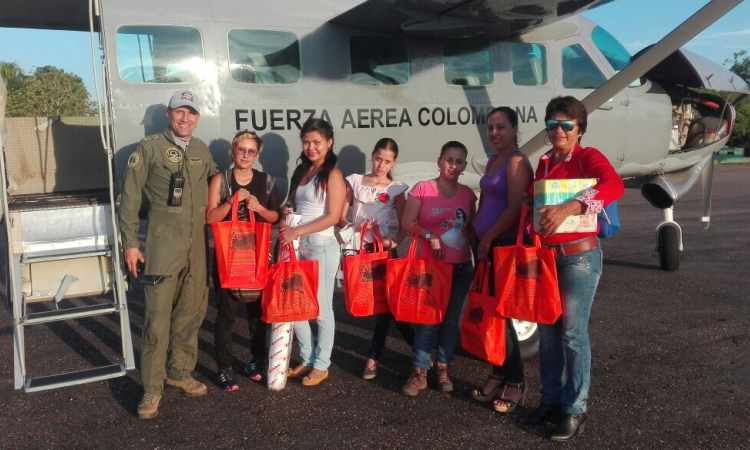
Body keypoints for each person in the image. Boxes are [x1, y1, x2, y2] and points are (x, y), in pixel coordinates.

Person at [522, 96, 624, 441]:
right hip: (547, 256)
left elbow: (614, 186)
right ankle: (551, 400)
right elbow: (537, 203)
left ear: (579, 129)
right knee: (548, 335)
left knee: (571, 334)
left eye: (567, 124)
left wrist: (573, 206)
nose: (559, 131)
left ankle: (576, 408)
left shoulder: (587, 156)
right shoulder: (545, 162)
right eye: (553, 124)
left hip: (579, 256)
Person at [120, 90, 218, 419]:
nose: (185, 118)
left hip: (196, 247)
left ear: (197, 117)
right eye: (179, 112)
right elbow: (130, 198)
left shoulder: (202, 151)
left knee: (191, 311)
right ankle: (151, 387)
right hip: (163, 245)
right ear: (168, 113)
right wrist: (131, 242)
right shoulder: (149, 149)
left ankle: (179, 372)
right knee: (157, 318)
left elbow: (217, 187)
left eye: (191, 113)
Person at [469, 107, 533, 413]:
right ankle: (498, 371)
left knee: (503, 315)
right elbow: (487, 202)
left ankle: (516, 381)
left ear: (515, 130)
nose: (494, 133)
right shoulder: (494, 160)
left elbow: (515, 209)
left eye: (501, 127)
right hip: (487, 246)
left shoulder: (516, 161)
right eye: (490, 128)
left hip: (503, 245)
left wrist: (488, 237)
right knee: (492, 315)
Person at [399, 141, 476, 397]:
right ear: (439, 161)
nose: (453, 166)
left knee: (451, 321)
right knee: (428, 320)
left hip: (461, 266)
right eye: (449, 159)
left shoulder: (467, 194)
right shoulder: (423, 189)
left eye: (459, 161)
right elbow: (407, 222)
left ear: (464, 165)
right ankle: (419, 371)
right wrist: (430, 234)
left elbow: (471, 229)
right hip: (431, 268)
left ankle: (443, 368)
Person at [206, 130, 281, 391]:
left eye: (252, 151)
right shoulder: (221, 179)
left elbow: (275, 218)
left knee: (257, 313)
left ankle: (256, 360)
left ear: (258, 154)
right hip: (229, 256)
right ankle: (224, 367)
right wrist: (230, 202)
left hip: (257, 256)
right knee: (226, 314)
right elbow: (210, 218)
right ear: (233, 151)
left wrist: (259, 208)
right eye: (241, 150)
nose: (246, 155)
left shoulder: (267, 181)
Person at [338, 138, 414, 380]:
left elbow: (404, 225)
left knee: (386, 305)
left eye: (388, 161)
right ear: (372, 156)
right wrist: (355, 225)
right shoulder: (355, 180)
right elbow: (340, 216)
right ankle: (420, 350)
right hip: (359, 249)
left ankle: (373, 358)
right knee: (364, 302)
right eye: (379, 158)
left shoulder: (396, 188)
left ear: (394, 163)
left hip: (384, 252)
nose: (382, 164)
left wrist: (395, 242)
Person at [279, 118, 345, 386]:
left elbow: (332, 217)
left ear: (329, 142)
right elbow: (293, 204)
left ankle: (321, 364)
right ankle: (306, 358)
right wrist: (287, 216)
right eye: (306, 142)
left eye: (317, 142)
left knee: (321, 310)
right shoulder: (301, 172)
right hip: (300, 246)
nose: (311, 147)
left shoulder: (333, 174)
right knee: (298, 308)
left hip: (321, 247)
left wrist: (297, 231)